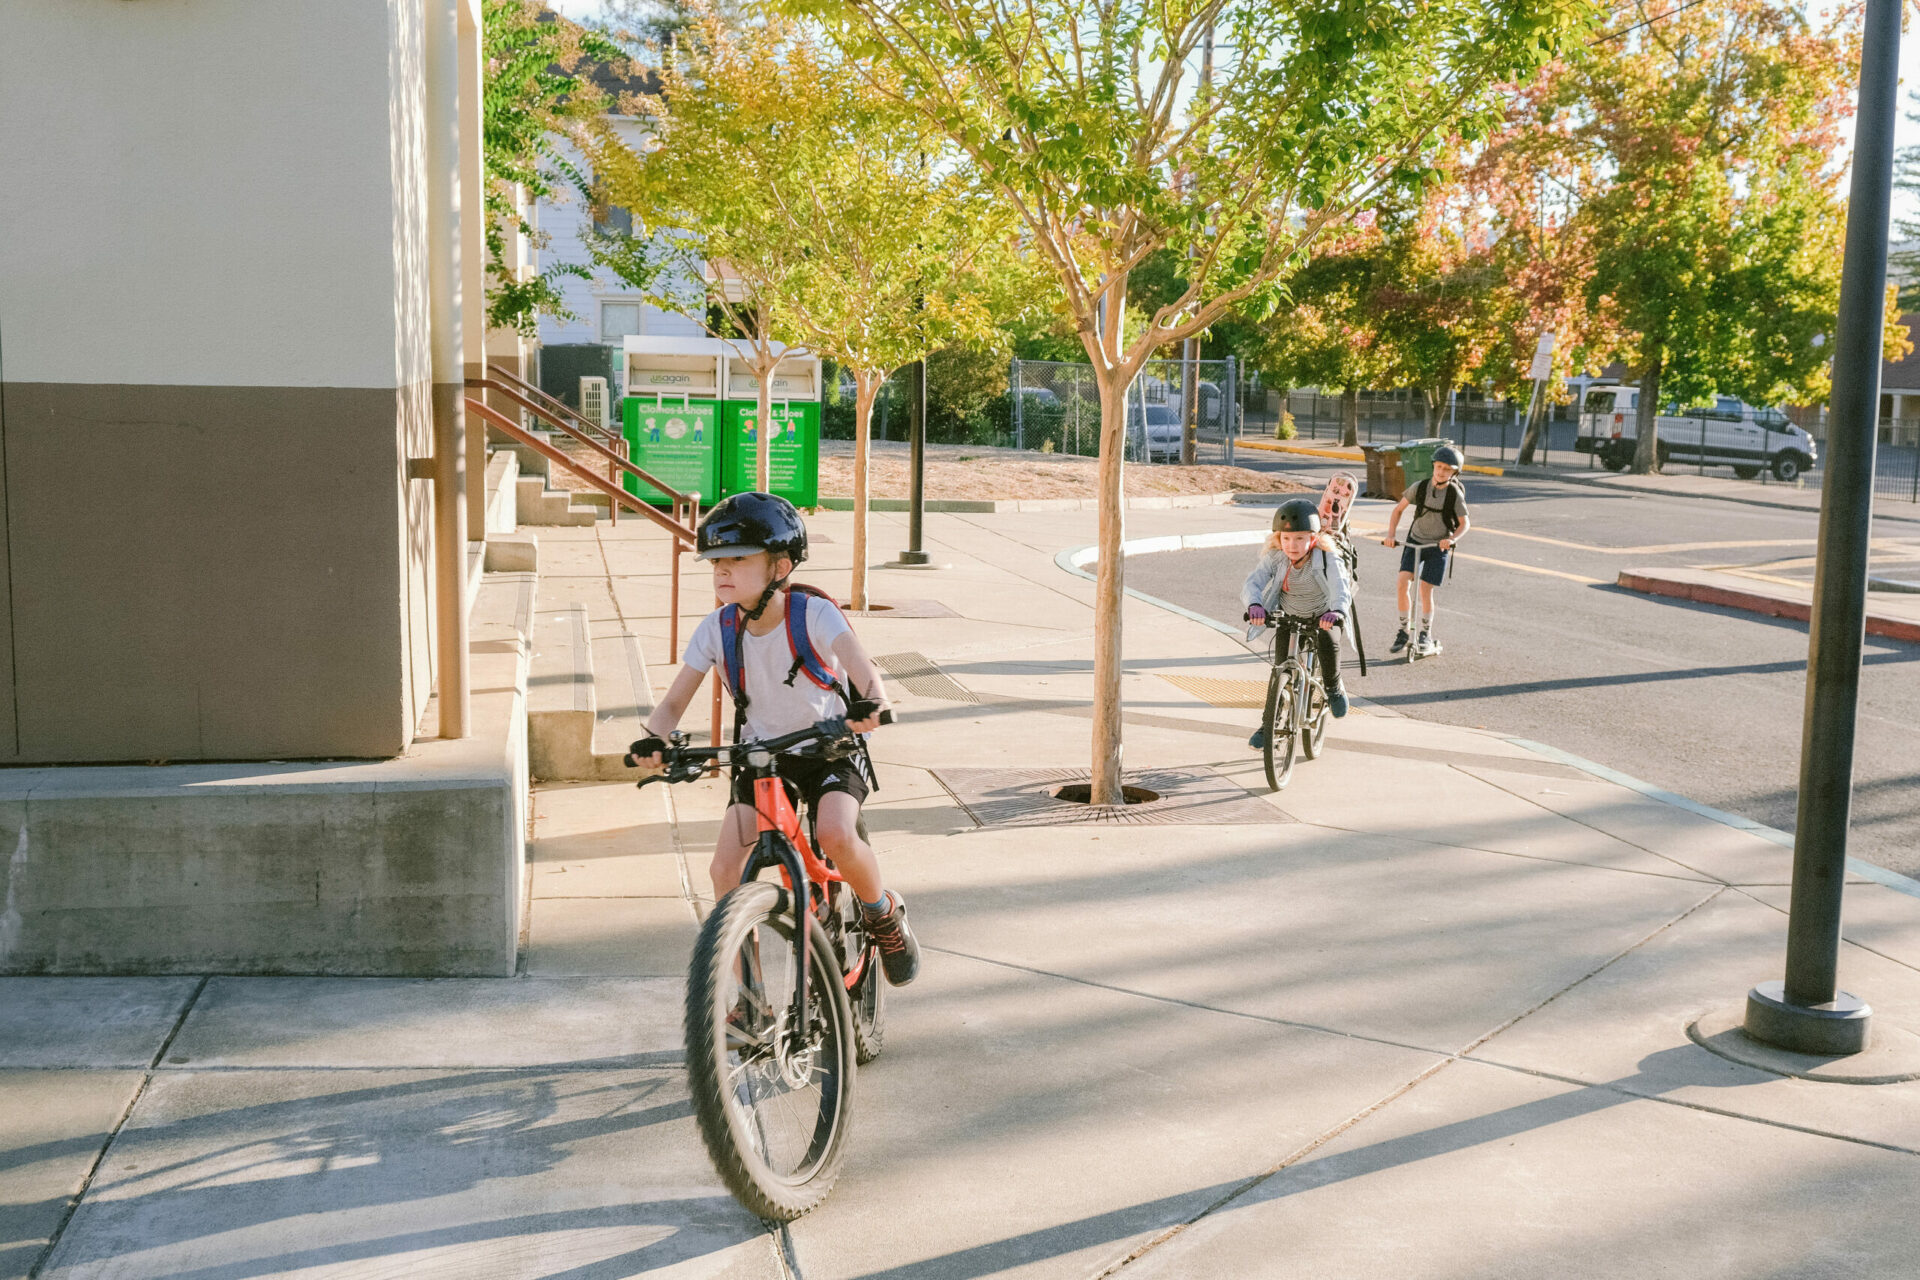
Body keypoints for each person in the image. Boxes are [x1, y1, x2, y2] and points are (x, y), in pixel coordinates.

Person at [625, 492, 921, 986]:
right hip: (762, 760)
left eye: (738, 558)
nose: (722, 569)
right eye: (716, 561)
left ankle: (881, 912)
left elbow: (862, 669)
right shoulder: (715, 629)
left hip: (828, 747)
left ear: (780, 565)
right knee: (725, 870)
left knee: (835, 834)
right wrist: (652, 740)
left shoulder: (812, 615)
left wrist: (873, 703)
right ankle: (748, 991)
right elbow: (674, 703)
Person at [1241, 497, 1352, 748]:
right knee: (1281, 669)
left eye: (1300, 538)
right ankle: (1270, 722)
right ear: (1278, 538)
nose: (1292, 545)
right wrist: (1255, 605)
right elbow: (1253, 582)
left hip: (1321, 618)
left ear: (1313, 538)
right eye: (1286, 538)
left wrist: (1336, 612)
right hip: (1289, 618)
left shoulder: (1325, 557)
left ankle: (1333, 687)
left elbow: (1339, 586)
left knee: (1328, 644)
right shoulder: (1276, 557)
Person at [1380, 445, 1471, 658]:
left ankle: (1425, 634)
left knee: (1425, 589)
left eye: (1447, 469)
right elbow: (1398, 510)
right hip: (1415, 540)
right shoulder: (1419, 487)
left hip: (1437, 545)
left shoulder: (1454, 494)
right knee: (1403, 582)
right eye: (1439, 467)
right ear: (1433, 466)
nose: (1441, 472)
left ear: (1454, 472)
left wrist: (1451, 539)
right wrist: (1391, 535)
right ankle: (1403, 630)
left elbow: (1464, 523)